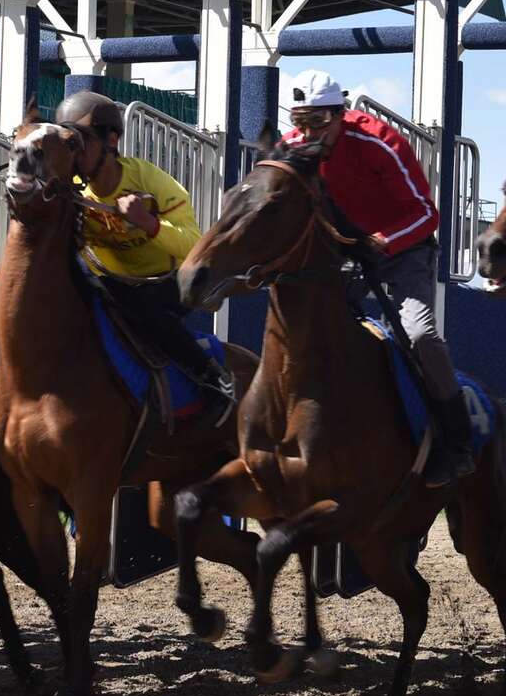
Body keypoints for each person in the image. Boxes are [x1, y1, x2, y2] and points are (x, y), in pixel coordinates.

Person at [280, 70, 476, 487]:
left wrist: (382, 242)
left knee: (419, 334)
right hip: (346, 248)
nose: (308, 134)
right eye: (300, 122)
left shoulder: (380, 141)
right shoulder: (292, 145)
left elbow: (427, 214)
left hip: (403, 249)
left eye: (318, 122)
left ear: (340, 114)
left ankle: (458, 442)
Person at [54, 90, 234, 421]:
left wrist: (147, 223)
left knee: (140, 307)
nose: (74, 155)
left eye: (80, 143)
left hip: (170, 282)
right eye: (69, 145)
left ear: (111, 139)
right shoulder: (74, 192)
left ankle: (213, 380)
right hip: (113, 283)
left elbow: (194, 245)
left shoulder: (152, 181)